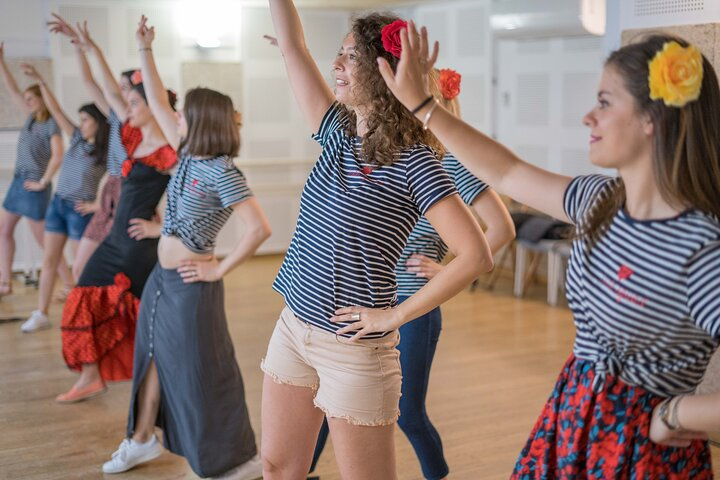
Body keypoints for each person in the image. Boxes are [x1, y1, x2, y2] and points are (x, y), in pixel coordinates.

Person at [379, 22, 720, 478]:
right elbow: (507, 170)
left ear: (651, 119)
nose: (588, 118)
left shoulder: (698, 246)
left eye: (604, 102)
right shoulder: (598, 200)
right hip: (571, 417)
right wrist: (423, 107)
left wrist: (675, 416)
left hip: (640, 454)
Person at [261, 3, 493, 479]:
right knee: (278, 468)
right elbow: (292, 47)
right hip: (292, 328)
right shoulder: (337, 133)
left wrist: (396, 315)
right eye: (339, 55)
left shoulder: (417, 161)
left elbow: (477, 253)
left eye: (349, 56)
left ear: (383, 70)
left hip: (353, 348)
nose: (336, 65)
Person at [308, 67, 515, 480]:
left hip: (413, 308)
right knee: (325, 401)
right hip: (363, 305)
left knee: (408, 414)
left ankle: (437, 474)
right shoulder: (384, 152)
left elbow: (503, 228)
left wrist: (446, 269)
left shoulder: (449, 162)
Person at [100, 16, 270, 479]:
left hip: (194, 284)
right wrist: (144, 50)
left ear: (201, 121)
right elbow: (156, 98)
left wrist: (219, 270)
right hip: (163, 278)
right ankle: (140, 440)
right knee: (151, 356)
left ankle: (232, 460)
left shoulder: (222, 170)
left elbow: (259, 228)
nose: (173, 115)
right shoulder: (188, 151)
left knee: (201, 373)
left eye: (183, 113)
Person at [56, 19, 176, 404]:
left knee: (127, 308)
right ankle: (94, 375)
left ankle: (158, 381)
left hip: (134, 244)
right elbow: (106, 89)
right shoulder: (133, 135)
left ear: (155, 106)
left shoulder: (168, 152)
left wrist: (163, 229)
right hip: (117, 237)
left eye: (137, 102)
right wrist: (88, 47)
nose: (129, 106)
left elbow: (198, 194)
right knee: (99, 300)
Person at [47, 14, 149, 281]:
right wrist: (79, 48)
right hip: (112, 190)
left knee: (115, 269)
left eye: (128, 89)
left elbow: (106, 87)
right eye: (122, 88)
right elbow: (90, 82)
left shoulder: (139, 123)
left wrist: (94, 49)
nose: (121, 93)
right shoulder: (116, 116)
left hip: (128, 192)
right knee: (80, 267)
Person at [18, 63, 108, 333]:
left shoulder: (106, 152)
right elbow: (56, 110)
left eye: (85, 119)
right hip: (59, 204)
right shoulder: (78, 138)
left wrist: (98, 205)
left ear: (98, 122)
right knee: (49, 260)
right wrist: (41, 81)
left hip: (81, 211)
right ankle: (41, 312)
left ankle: (86, 315)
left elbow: (118, 182)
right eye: (79, 119)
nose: (80, 123)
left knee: (81, 268)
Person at [0, 42, 73, 298]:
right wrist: (2, 62)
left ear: (42, 100)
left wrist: (44, 181)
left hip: (34, 186)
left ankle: (68, 283)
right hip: (19, 183)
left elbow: (58, 156)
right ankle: (5, 282)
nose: (27, 102)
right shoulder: (30, 117)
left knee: (46, 241)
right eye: (27, 99)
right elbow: (13, 91)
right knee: (4, 230)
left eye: (32, 98)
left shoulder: (51, 124)